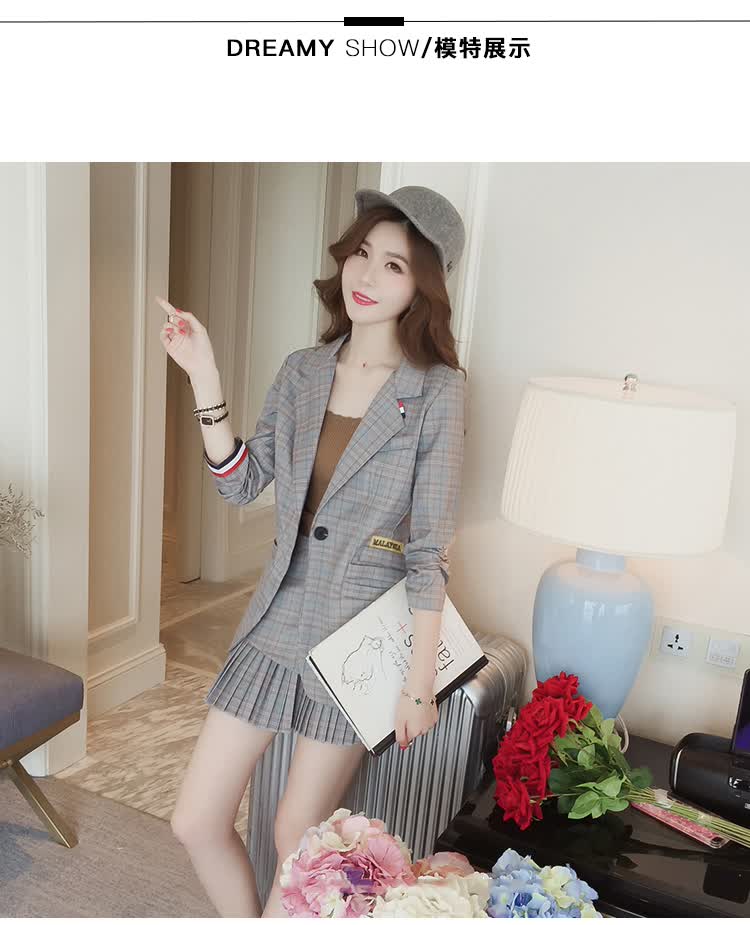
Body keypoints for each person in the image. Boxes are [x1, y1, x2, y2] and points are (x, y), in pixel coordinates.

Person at [157, 185, 467, 917]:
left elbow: (428, 548)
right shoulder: (304, 370)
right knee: (194, 818)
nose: (367, 275)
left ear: (422, 285)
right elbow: (242, 483)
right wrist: (203, 374)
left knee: (297, 835)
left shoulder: (437, 392)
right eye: (363, 252)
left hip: (352, 640)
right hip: (274, 618)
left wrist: (419, 684)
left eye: (394, 265)